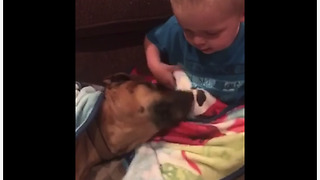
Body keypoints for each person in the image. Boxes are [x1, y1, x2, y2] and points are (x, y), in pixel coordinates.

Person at [144, 0, 244, 105]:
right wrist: (155, 66)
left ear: (241, 15)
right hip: (186, 108)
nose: (197, 41)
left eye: (211, 33)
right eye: (188, 31)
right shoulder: (176, 27)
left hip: (234, 110)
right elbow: (152, 40)